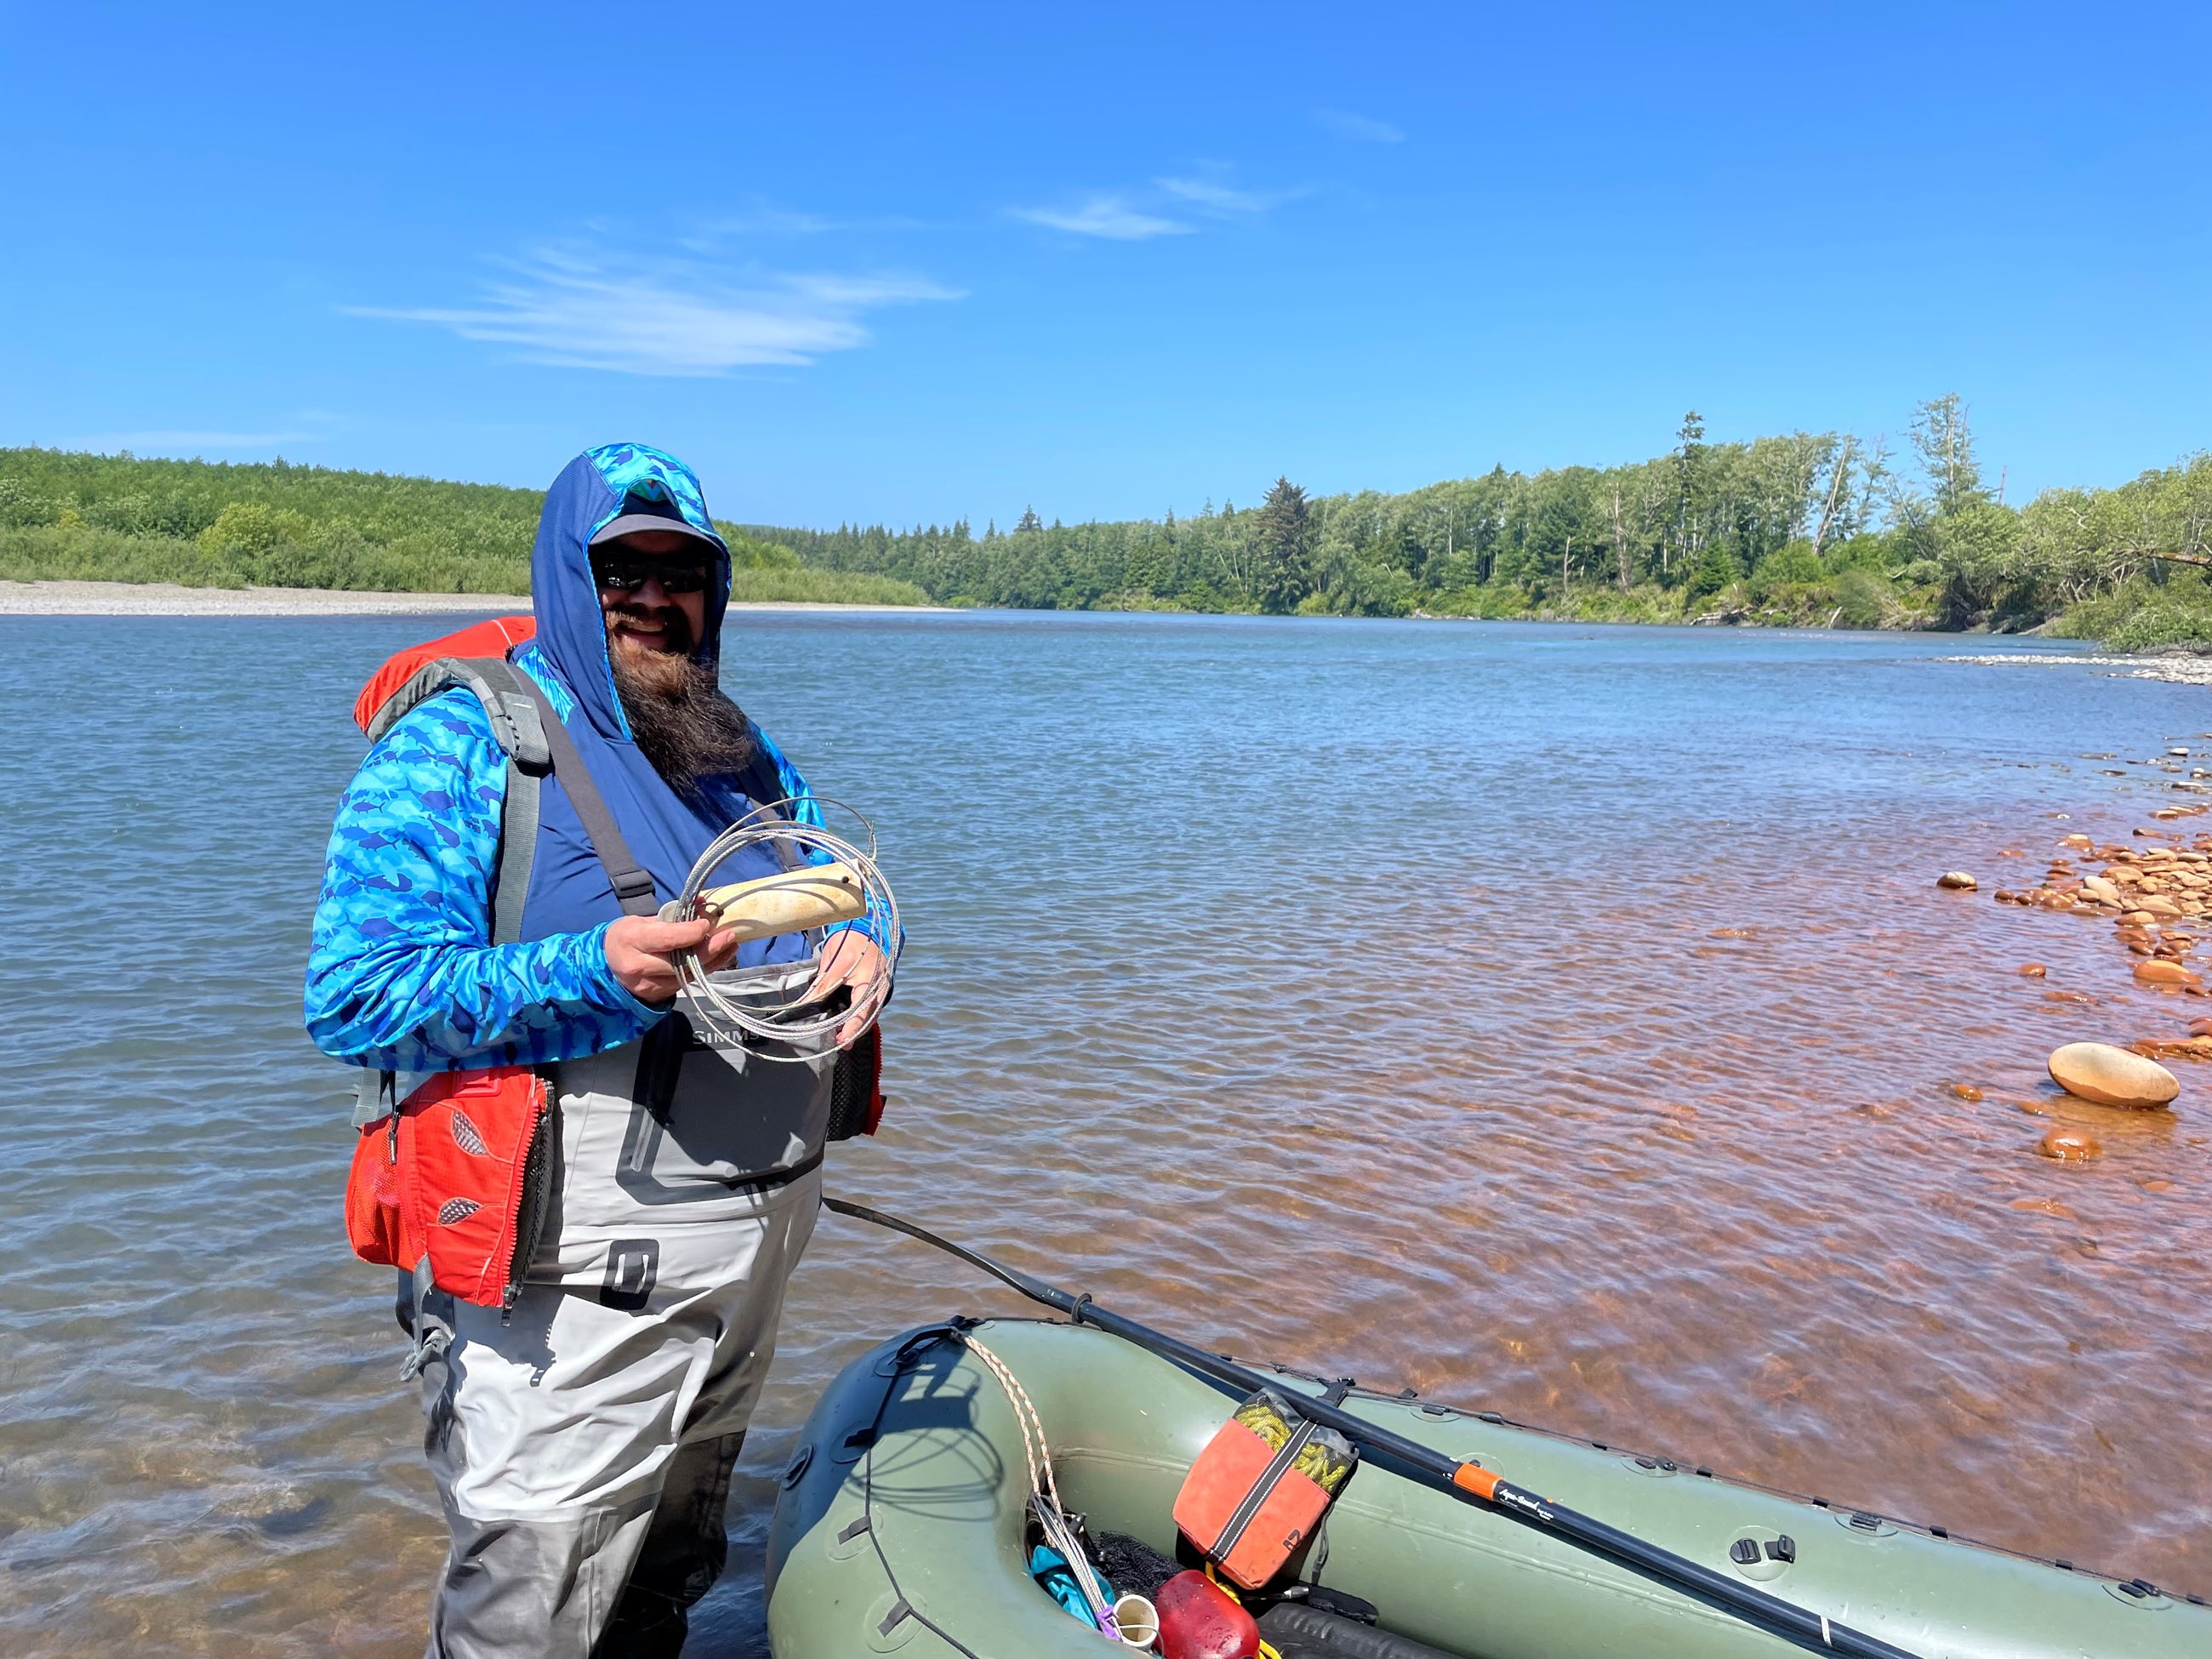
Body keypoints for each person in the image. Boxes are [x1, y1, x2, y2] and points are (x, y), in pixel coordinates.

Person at [305, 442, 887, 1657]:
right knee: (529, 1608)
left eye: (682, 573)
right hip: (569, 1292)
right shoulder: (464, 742)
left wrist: (867, 940)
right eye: (620, 569)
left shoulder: (738, 746)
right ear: (570, 579)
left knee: (668, 1573)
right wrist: (591, 970)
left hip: (747, 1265)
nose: (652, 598)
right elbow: (353, 994)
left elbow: (836, 872)